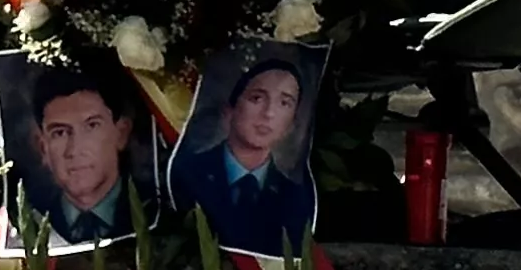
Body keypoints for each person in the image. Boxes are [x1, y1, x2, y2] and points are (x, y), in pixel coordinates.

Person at [170, 53, 314, 254]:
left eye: (284, 103)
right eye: (257, 98)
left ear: (291, 125)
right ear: (230, 110)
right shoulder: (186, 172)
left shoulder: (294, 196)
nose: (269, 113)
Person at [18, 62, 144, 243]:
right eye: (60, 132)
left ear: (121, 133)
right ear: (43, 148)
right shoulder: (30, 222)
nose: (75, 149)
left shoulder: (156, 209)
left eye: (92, 126)